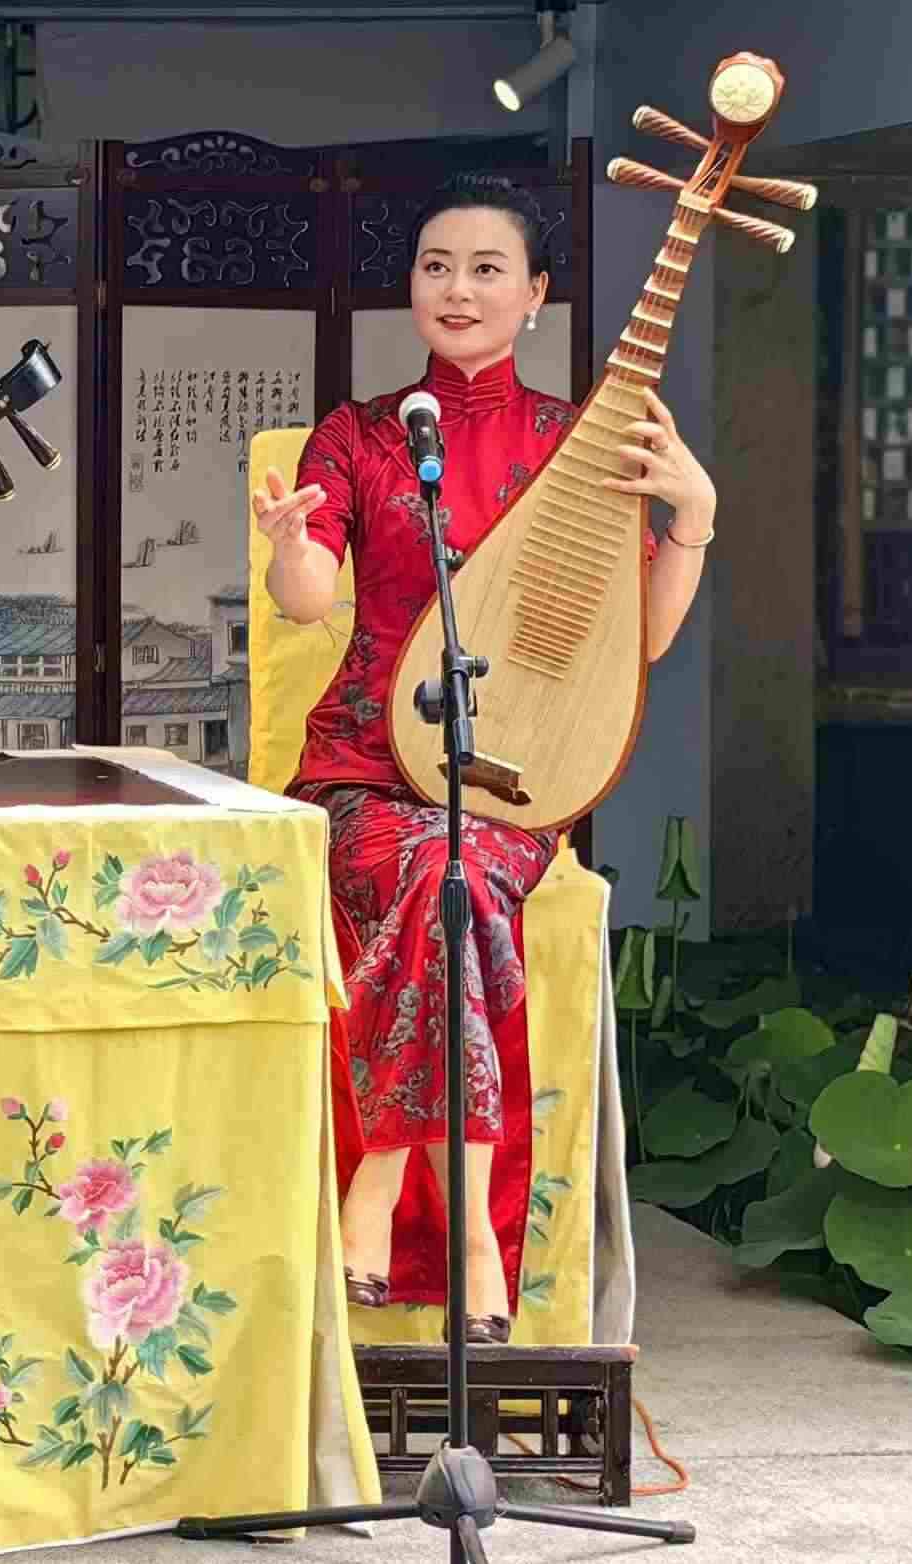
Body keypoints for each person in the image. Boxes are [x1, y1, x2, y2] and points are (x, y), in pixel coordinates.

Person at [248, 173, 714, 1342]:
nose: (455, 289)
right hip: (361, 766)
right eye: (434, 266)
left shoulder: (574, 442)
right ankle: (465, 1237)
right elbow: (308, 599)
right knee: (431, 872)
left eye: (485, 268)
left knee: (449, 869)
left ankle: (378, 1185)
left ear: (535, 292)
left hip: (511, 776)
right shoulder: (360, 432)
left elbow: (637, 642)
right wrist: (289, 546)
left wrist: (692, 520)